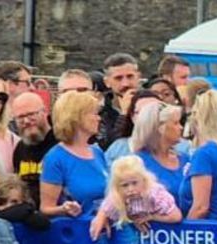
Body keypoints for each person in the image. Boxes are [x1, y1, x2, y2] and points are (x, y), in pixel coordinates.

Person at [39, 91, 109, 219]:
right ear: (76, 117)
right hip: (76, 232)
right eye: (94, 113)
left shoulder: (97, 152)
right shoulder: (55, 158)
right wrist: (64, 208)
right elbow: (46, 208)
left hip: (106, 229)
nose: (99, 118)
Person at [186, 90, 217, 220]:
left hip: (208, 229)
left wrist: (183, 233)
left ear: (196, 118)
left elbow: (201, 208)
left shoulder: (204, 154)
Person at [131, 102, 190, 212]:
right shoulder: (138, 164)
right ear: (160, 128)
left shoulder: (186, 159)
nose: (181, 127)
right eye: (176, 123)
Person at [10, 92, 54, 204]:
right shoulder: (20, 148)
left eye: (31, 115)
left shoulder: (61, 143)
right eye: (20, 117)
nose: (26, 121)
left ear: (45, 111)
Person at [98, 53, 140, 147]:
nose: (125, 84)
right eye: (118, 78)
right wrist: (124, 114)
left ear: (138, 77)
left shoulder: (152, 105)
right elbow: (109, 148)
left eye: (130, 76)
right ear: (107, 82)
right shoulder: (100, 112)